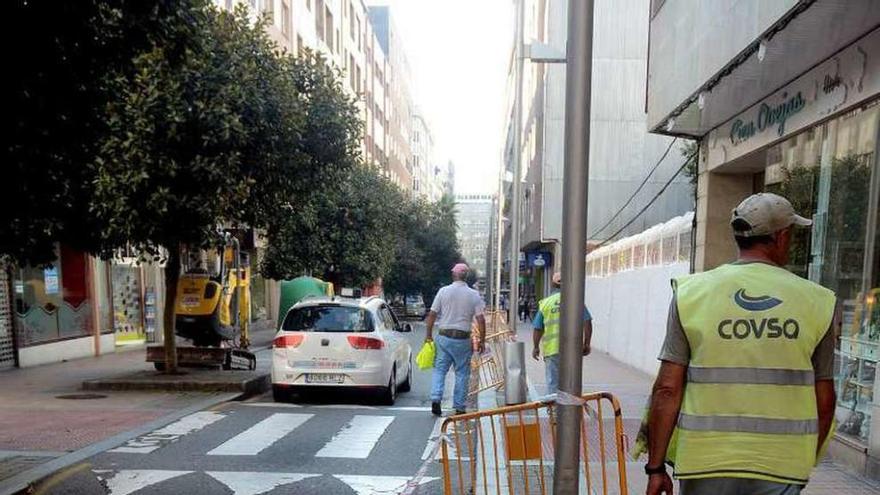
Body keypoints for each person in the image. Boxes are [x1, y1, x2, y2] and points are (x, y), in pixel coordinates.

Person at [645, 192, 838, 495]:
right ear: (781, 236)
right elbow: (824, 400)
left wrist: (655, 468)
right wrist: (802, 458)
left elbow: (667, 388)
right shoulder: (819, 301)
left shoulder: (692, 293)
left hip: (705, 461)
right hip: (781, 465)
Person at [425, 263, 487, 416]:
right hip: (462, 340)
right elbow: (481, 319)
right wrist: (482, 340)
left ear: (453, 275)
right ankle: (459, 406)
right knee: (462, 373)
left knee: (440, 370)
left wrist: (428, 335)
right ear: (466, 276)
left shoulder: (443, 291)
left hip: (444, 337)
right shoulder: (473, 295)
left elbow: (432, 314)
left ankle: (435, 399)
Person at [531, 272, 593, 395]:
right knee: (571, 382)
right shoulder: (575, 301)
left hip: (552, 350)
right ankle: (571, 409)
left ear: (553, 285)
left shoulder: (546, 303)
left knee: (553, 383)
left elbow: (538, 328)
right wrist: (586, 343)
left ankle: (554, 411)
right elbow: (587, 322)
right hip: (573, 349)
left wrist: (536, 347)